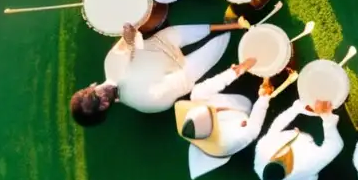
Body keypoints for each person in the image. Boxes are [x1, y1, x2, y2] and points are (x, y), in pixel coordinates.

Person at [69, 22, 244, 126]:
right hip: (186, 71)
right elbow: (180, 82)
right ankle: (231, 31)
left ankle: (230, 24)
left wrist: (128, 36)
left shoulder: (110, 63)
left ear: (91, 86)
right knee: (222, 40)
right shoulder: (143, 103)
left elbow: (130, 41)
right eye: (100, 108)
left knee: (208, 30)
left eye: (95, 97)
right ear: (104, 112)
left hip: (163, 41)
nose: (103, 101)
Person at [173, 57, 271, 180]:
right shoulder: (232, 139)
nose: (216, 110)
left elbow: (217, 81)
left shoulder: (196, 97)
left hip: (239, 104)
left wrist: (238, 70)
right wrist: (264, 98)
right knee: (249, 108)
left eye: (210, 110)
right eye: (213, 115)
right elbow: (254, 128)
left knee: (242, 102)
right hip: (242, 117)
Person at [253, 97, 344, 180]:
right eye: (285, 163)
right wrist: (327, 118)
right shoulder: (307, 165)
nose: (283, 158)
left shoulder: (262, 151)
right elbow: (335, 145)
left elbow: (276, 126)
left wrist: (296, 108)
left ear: (269, 160)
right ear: (288, 172)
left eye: (277, 159)